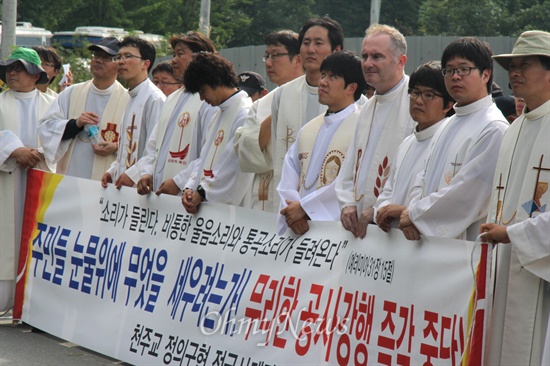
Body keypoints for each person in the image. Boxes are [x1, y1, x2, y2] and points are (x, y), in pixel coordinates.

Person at [480, 30, 550, 366]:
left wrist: (513, 233)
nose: (515, 73)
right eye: (512, 66)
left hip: (542, 269)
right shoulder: (514, 129)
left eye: (526, 65)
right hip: (505, 262)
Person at [399, 37, 508, 241]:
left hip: (463, 245)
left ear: (486, 75)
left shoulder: (493, 127)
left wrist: (415, 215)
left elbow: (468, 192)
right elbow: (423, 174)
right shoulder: (448, 123)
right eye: (449, 70)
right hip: (427, 238)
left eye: (464, 69)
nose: (455, 76)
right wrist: (412, 211)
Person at [335, 24, 415, 239]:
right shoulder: (367, 107)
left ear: (401, 61)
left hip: (395, 229)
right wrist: (348, 204)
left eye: (377, 56)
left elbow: (417, 171)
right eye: (365, 56)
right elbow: (349, 166)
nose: (368, 63)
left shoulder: (416, 103)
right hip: (361, 227)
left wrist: (381, 207)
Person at [277, 50, 367, 235]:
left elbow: (352, 181)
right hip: (298, 227)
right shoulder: (309, 129)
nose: (322, 82)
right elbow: (289, 172)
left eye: (333, 77)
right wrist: (292, 212)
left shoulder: (362, 126)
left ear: (351, 88)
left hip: (334, 232)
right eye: (323, 74)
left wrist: (306, 209)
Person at [268, 17, 346, 212]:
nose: (311, 49)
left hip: (328, 209)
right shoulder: (282, 94)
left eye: (318, 43)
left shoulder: (353, 100)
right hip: (288, 203)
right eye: (306, 43)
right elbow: (279, 147)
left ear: (336, 50)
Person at [0, 48, 55, 312]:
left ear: (36, 74)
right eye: (9, 68)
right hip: (5, 182)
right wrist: (13, 150)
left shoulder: (52, 105)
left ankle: (34, 303)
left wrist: (39, 153)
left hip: (39, 181)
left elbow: (61, 141)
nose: (12, 73)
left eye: (19, 68)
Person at [133, 31, 218, 197]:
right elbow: (155, 147)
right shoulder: (172, 99)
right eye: (174, 54)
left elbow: (210, 154)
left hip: (189, 196)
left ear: (201, 57)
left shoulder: (209, 100)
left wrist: (179, 181)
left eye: (180, 54)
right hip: (162, 195)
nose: (174, 60)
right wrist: (147, 172)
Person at [374, 61, 454, 232]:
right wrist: (383, 210)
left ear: (448, 104)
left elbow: (447, 200)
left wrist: (406, 212)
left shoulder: (449, 142)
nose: (418, 100)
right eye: (415, 93)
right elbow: (388, 190)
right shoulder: (407, 143)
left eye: (429, 95)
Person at [38, 37, 130, 181]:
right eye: (96, 56)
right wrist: (75, 124)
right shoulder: (71, 93)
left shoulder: (128, 100)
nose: (98, 60)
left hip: (106, 184)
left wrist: (116, 147)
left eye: (106, 58)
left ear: (120, 64)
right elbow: (46, 128)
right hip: (70, 177)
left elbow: (139, 142)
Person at [233, 29, 303, 213]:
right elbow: (244, 151)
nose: (269, 63)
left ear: (298, 59)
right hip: (265, 199)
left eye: (276, 55)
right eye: (267, 56)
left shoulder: (317, 97)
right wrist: (279, 111)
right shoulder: (263, 104)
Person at [182, 52, 253, 213]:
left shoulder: (245, 113)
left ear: (217, 81)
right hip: (203, 200)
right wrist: (190, 186)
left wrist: (203, 191)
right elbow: (204, 157)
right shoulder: (217, 114)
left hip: (227, 212)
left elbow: (235, 165)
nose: (201, 98)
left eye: (202, 91)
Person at [101, 36, 165, 188]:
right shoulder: (132, 97)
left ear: (146, 63)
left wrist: (133, 175)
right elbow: (126, 147)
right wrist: (113, 170)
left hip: (142, 186)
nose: (121, 61)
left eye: (128, 56)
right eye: (119, 57)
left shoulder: (155, 99)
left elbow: (156, 150)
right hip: (125, 185)